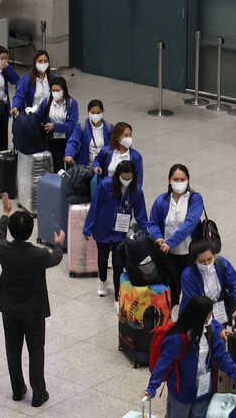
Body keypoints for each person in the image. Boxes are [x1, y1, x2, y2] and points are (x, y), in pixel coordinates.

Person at [0, 193, 64, 408]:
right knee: (36, 350)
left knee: (12, 349)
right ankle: (38, 393)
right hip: (33, 311)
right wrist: (58, 244)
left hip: (9, 308)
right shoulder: (39, 255)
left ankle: (17, 389)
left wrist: (5, 212)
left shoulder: (3, 249)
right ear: (31, 231)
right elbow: (56, 258)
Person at [142, 295, 236, 418]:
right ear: (199, 317)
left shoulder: (210, 332)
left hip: (203, 391)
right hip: (181, 394)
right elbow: (163, 364)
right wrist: (152, 387)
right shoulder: (177, 339)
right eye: (209, 315)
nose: (211, 318)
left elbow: (222, 356)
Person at [83, 160, 146, 303]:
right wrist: (88, 228)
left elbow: (141, 213)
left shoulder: (136, 190)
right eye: (124, 178)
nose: (127, 181)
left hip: (120, 230)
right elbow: (95, 206)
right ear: (118, 175)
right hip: (102, 228)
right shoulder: (105, 184)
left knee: (118, 263)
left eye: (129, 178)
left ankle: (118, 297)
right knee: (102, 258)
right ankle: (103, 281)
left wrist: (146, 232)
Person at [147, 164, 205, 307]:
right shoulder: (162, 200)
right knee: (171, 290)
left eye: (182, 179)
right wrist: (158, 237)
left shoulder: (195, 199)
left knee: (191, 290)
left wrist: (170, 242)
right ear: (169, 180)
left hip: (189, 254)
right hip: (168, 255)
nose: (179, 183)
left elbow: (189, 224)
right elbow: (152, 223)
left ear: (188, 180)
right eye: (176, 179)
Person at [181, 241, 236, 330]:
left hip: (219, 308)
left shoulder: (221, 262)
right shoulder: (188, 276)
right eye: (202, 261)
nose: (207, 264)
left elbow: (235, 284)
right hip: (199, 317)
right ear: (194, 260)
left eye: (209, 259)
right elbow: (194, 305)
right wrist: (217, 326)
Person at [35, 76, 77, 172]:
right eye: (53, 90)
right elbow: (39, 117)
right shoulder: (47, 101)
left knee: (70, 166)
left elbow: (72, 125)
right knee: (58, 166)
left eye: (58, 90)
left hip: (68, 138)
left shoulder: (71, 103)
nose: (55, 93)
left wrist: (55, 126)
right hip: (52, 139)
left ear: (63, 90)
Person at [93, 121, 145, 190]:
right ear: (117, 137)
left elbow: (138, 180)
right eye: (126, 135)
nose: (129, 138)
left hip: (126, 193)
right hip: (107, 191)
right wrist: (96, 166)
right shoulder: (106, 151)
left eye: (130, 135)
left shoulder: (136, 156)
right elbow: (97, 160)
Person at [64, 99, 111, 170]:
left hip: (103, 166)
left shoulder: (109, 127)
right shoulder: (81, 127)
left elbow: (115, 144)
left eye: (98, 113)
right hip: (86, 167)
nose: (95, 115)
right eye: (93, 112)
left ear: (102, 112)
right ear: (88, 112)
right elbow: (73, 142)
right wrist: (69, 154)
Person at [11, 50, 55, 125]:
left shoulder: (53, 77)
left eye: (45, 61)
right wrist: (15, 107)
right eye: (40, 61)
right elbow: (19, 95)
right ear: (35, 63)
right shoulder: (27, 79)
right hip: (33, 117)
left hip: (50, 116)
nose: (43, 64)